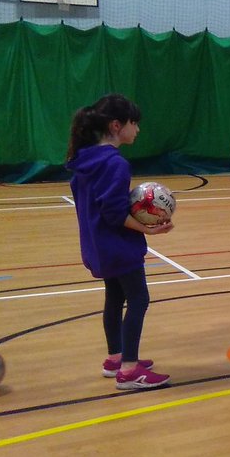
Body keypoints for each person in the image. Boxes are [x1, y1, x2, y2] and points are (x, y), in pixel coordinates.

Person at [66, 94, 173, 389]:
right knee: (139, 299)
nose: (137, 130)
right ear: (116, 125)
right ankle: (129, 370)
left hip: (97, 245)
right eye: (134, 123)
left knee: (114, 298)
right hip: (118, 246)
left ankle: (116, 358)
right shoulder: (114, 163)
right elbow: (113, 212)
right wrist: (147, 229)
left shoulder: (84, 158)